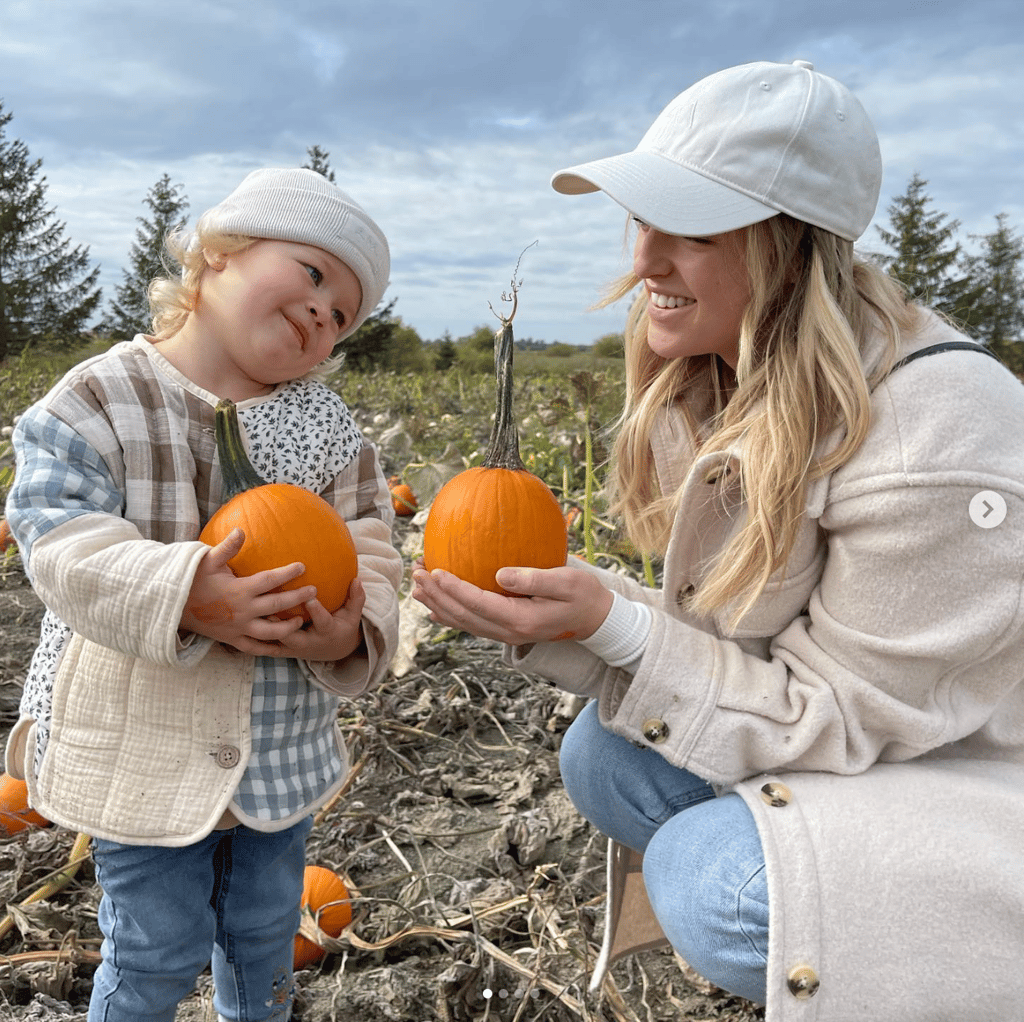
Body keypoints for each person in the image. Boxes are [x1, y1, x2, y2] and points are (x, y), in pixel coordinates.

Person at [412, 60, 1024, 1021]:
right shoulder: (742, 379)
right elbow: (753, 648)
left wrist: (616, 624)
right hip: (889, 747)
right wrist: (586, 617)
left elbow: (835, 718)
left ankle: (913, 972)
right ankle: (841, 949)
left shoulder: (932, 435)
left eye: (690, 230)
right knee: (606, 758)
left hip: (978, 783)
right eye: (643, 218)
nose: (646, 257)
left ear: (790, 250)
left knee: (711, 879)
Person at [4, 167, 403, 1022]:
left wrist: (352, 629)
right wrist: (181, 590)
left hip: (277, 747)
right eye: (311, 273)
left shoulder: (327, 430)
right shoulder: (101, 398)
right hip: (140, 742)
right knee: (154, 947)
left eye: (341, 316)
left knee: (265, 942)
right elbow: (56, 535)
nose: (319, 315)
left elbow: (372, 540)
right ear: (216, 255)